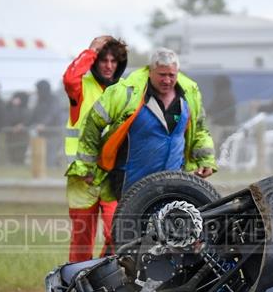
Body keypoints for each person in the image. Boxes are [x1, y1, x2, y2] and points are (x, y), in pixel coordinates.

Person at [77, 47, 216, 204]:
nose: (167, 80)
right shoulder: (125, 92)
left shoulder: (189, 95)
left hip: (174, 180)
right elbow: (92, 124)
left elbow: (200, 130)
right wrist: (87, 165)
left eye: (171, 75)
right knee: (132, 227)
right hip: (132, 181)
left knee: (170, 226)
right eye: (162, 75)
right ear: (150, 72)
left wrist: (206, 159)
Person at [63, 36, 128, 262]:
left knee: (117, 233)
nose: (109, 66)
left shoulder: (124, 90)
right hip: (83, 177)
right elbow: (70, 78)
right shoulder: (81, 87)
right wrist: (91, 50)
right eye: (103, 60)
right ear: (95, 62)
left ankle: (101, 276)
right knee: (82, 240)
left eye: (114, 61)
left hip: (113, 175)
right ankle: (76, 287)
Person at [29, 79, 64, 166]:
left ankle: (51, 173)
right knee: (42, 156)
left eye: (38, 89)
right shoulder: (39, 100)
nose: (37, 91)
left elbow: (52, 113)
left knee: (50, 156)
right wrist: (27, 124)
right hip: (42, 134)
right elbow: (34, 114)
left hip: (53, 133)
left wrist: (43, 124)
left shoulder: (53, 100)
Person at [3, 91, 30, 165]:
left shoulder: (25, 109)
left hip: (22, 136)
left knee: (20, 155)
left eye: (17, 98)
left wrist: (21, 125)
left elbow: (27, 121)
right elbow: (6, 119)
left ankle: (19, 166)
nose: (15, 100)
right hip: (10, 136)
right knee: (11, 154)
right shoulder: (8, 108)